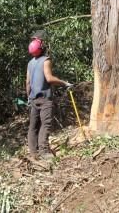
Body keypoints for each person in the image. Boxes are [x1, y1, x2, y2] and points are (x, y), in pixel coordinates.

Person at [26, 30, 72, 159]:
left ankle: (33, 152)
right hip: (45, 99)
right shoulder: (46, 60)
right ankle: (44, 152)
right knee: (45, 124)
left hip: (34, 99)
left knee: (33, 126)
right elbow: (50, 78)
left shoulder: (30, 63)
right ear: (41, 46)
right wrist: (64, 83)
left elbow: (28, 83)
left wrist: (29, 97)